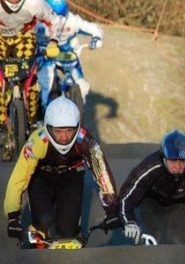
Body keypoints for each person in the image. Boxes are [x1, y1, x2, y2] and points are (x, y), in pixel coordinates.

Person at [4, 97, 119, 241]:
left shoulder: (86, 141)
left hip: (71, 177)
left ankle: (70, 231)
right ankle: (36, 232)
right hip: (41, 176)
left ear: (77, 127)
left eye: (69, 131)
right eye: (58, 131)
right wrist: (13, 217)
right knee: (42, 223)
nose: (64, 137)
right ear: (48, 128)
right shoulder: (37, 141)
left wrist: (112, 210)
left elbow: (102, 173)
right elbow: (18, 178)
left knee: (68, 234)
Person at [118, 130, 185, 245]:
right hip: (150, 200)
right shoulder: (150, 167)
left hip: (177, 204)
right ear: (164, 157)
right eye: (173, 160)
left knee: (179, 245)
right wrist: (129, 222)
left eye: (183, 161)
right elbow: (127, 195)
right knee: (154, 239)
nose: (178, 166)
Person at [0, 0, 63, 151]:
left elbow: (55, 21)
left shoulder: (34, 1)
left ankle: (33, 119)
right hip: (1, 37)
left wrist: (53, 42)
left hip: (24, 36)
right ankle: (3, 121)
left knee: (31, 78)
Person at [35, 0, 104, 109]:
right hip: (46, 53)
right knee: (45, 81)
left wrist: (97, 38)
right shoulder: (38, 23)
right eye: (53, 14)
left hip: (66, 52)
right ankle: (43, 107)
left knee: (82, 86)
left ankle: (78, 107)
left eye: (61, 15)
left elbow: (93, 28)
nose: (57, 19)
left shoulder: (73, 21)